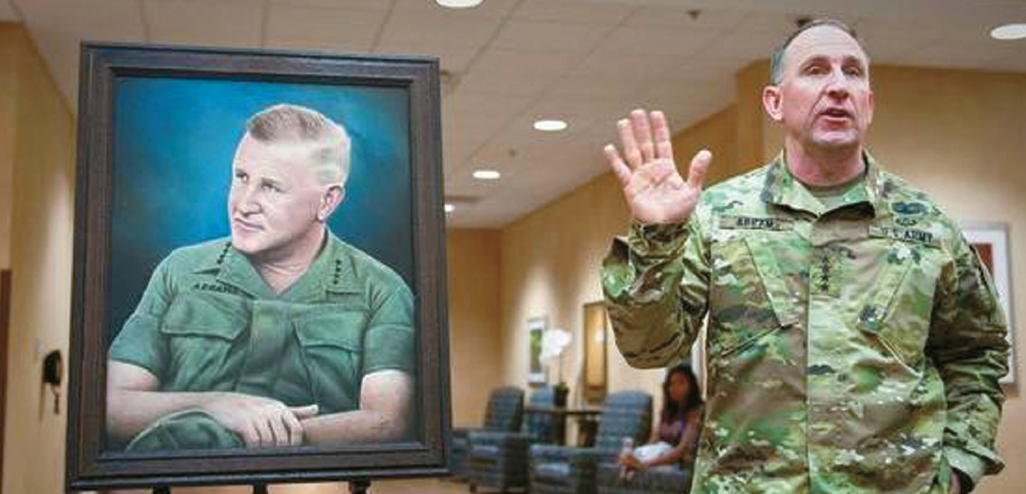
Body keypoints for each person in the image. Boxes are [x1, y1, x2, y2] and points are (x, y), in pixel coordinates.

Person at [601, 19, 1009, 494]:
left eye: (853, 73)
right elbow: (650, 347)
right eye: (816, 70)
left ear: (869, 105)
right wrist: (657, 236)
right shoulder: (717, 216)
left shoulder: (927, 225)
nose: (838, 86)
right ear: (774, 102)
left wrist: (957, 468)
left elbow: (977, 355)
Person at [106, 104, 415, 451]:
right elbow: (113, 405)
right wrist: (216, 406)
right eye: (241, 177)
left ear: (327, 202)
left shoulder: (381, 290)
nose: (243, 203)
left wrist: (249, 436)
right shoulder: (180, 270)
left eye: (271, 186)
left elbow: (386, 421)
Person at [619, 363, 703, 480]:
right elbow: (652, 442)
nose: (675, 387)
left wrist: (645, 464)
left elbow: (681, 451)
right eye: (671, 384)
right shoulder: (667, 412)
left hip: (680, 462)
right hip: (659, 457)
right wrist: (636, 456)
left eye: (681, 382)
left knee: (663, 449)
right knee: (633, 455)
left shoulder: (695, 413)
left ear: (691, 386)